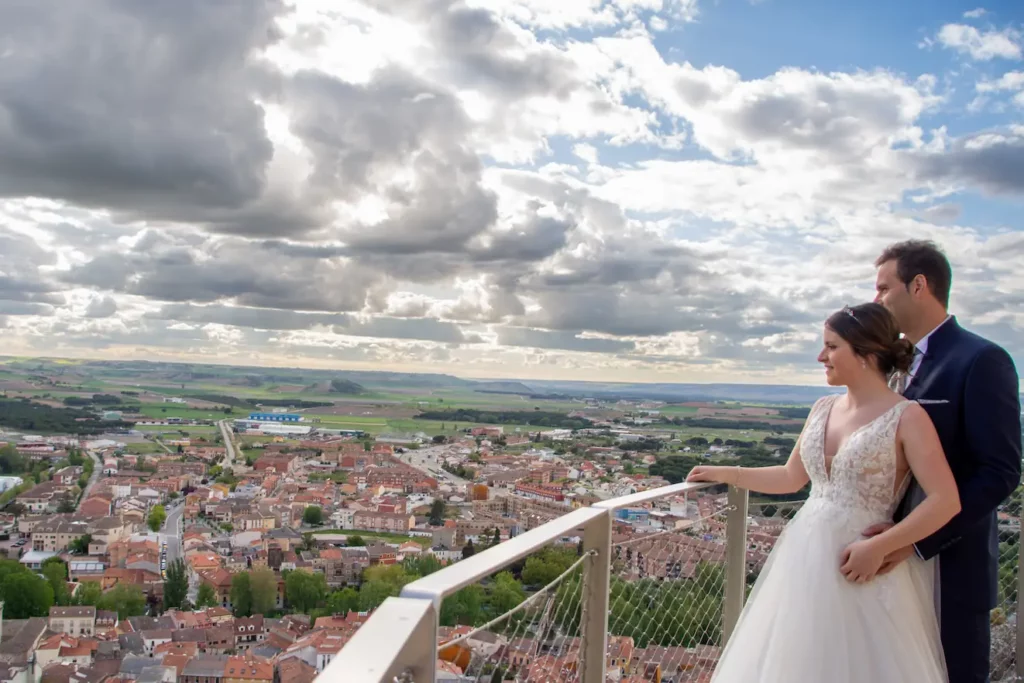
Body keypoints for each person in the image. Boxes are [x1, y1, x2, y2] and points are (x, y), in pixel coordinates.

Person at [687, 302, 960, 682]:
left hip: (863, 565)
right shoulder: (822, 407)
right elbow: (790, 477)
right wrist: (725, 473)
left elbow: (946, 500)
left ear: (865, 353)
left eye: (831, 347)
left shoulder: (908, 417)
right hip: (803, 560)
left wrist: (880, 547)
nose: (821, 356)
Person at [866, 240, 1022, 683]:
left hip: (950, 565)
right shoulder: (894, 364)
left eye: (883, 288)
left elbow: (1000, 471)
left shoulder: (981, 360)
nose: (876, 300)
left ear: (919, 285)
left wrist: (914, 543)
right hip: (888, 558)